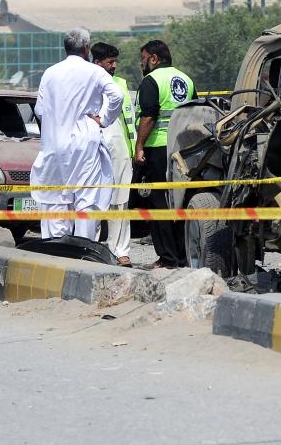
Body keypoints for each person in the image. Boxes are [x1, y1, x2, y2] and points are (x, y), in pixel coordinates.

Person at [30, 29, 122, 242]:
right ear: (87, 47)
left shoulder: (50, 73)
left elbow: (40, 110)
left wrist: (57, 121)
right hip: (84, 143)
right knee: (85, 198)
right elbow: (116, 96)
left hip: (54, 144)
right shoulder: (94, 71)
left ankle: (56, 248)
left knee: (55, 198)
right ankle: (83, 248)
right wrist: (104, 119)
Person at [135, 40, 194, 269]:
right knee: (179, 201)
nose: (142, 64)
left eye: (143, 59)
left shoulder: (152, 81)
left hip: (158, 148)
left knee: (159, 203)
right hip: (183, 149)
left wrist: (139, 146)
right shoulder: (186, 79)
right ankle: (182, 256)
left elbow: (148, 117)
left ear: (153, 59)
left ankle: (167, 258)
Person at [92, 42, 137, 267]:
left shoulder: (120, 84)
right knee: (92, 200)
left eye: (115, 61)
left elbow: (129, 121)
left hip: (119, 147)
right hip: (92, 146)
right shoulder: (87, 82)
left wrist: (135, 148)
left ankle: (120, 251)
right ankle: (90, 248)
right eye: (110, 62)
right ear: (97, 62)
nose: (114, 66)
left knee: (120, 202)